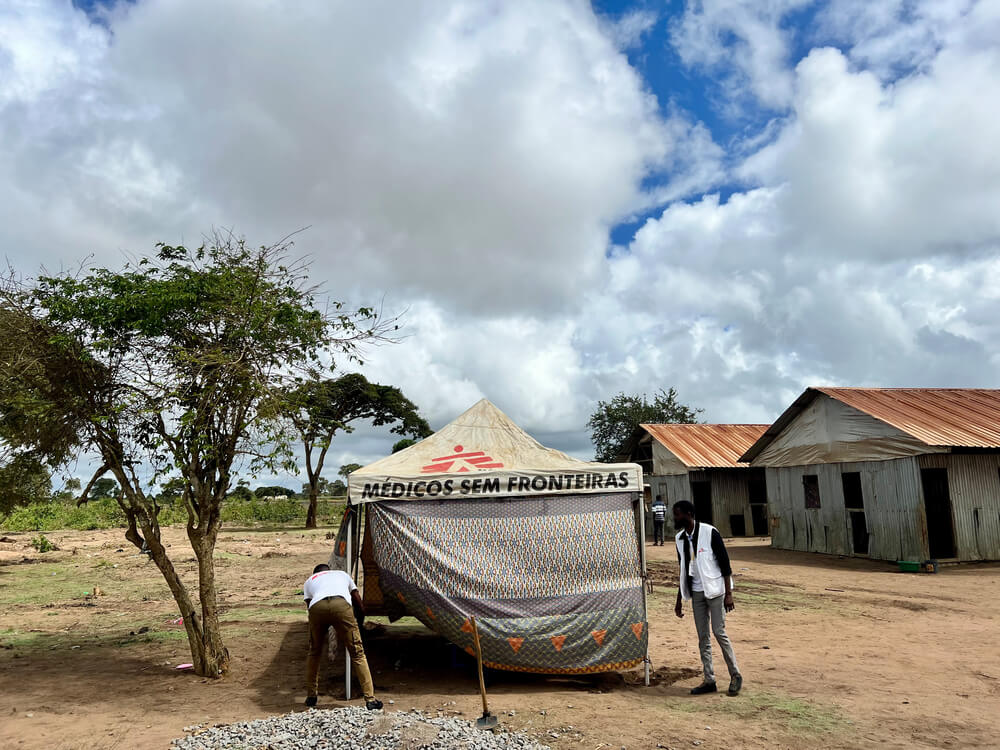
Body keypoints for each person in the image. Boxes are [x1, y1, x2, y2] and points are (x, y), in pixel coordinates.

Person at [672, 500, 743, 696]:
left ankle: (735, 675)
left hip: (716, 590)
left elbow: (725, 565)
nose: (675, 518)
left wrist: (729, 594)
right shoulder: (679, 539)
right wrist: (679, 599)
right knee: (703, 637)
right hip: (696, 593)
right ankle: (709, 680)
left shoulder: (710, 532)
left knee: (719, 632)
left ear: (688, 514)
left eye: (677, 514)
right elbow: (683, 570)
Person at [302, 563, 382, 710]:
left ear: (316, 573)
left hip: (317, 606)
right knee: (357, 653)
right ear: (329, 571)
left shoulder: (310, 580)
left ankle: (311, 697)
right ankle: (370, 700)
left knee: (314, 653)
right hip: (341, 605)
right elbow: (356, 597)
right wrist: (359, 614)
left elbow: (309, 605)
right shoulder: (341, 574)